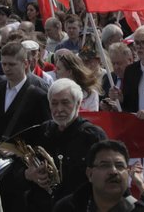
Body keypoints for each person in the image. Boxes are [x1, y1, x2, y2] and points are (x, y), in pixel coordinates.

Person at [12, 78, 107, 209]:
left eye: (65, 103)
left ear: (78, 103)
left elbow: (106, 177)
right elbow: (16, 169)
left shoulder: (93, 136)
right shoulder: (41, 131)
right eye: (54, 103)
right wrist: (29, 174)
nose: (59, 109)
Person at [0, 42, 51, 150]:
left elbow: (43, 134)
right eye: (4, 64)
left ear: (25, 64)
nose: (6, 69)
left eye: (11, 64)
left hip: (22, 161)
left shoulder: (38, 96)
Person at [51, 139, 144, 211]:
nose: (113, 171)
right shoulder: (66, 208)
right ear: (90, 174)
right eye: (104, 165)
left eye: (119, 166)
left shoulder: (141, 210)